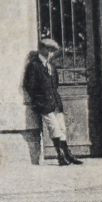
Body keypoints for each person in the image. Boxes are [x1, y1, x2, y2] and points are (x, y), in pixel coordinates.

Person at [24, 36, 82, 166]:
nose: (51, 52)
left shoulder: (52, 66)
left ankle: (67, 154)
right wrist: (39, 100)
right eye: (48, 49)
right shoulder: (34, 66)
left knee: (62, 128)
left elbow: (56, 85)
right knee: (54, 128)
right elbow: (30, 86)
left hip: (55, 102)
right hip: (44, 104)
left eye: (52, 50)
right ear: (41, 49)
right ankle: (60, 156)